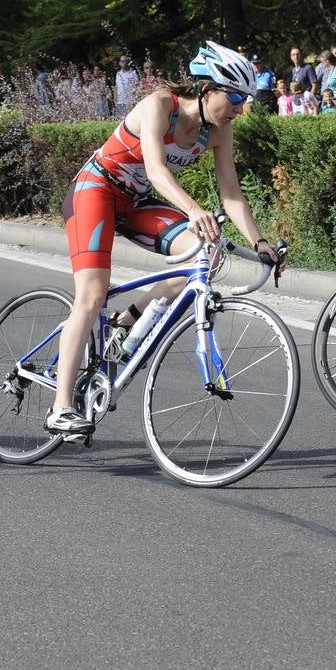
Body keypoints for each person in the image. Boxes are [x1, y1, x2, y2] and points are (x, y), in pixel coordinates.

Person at [51, 41, 286, 436]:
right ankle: (59, 408)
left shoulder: (218, 131)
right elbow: (157, 171)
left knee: (205, 255)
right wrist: (194, 210)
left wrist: (261, 243)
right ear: (207, 88)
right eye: (234, 97)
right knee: (91, 294)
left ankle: (129, 319)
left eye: (244, 100)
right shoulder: (161, 105)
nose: (240, 108)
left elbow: (231, 194)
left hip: (135, 203)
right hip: (96, 190)